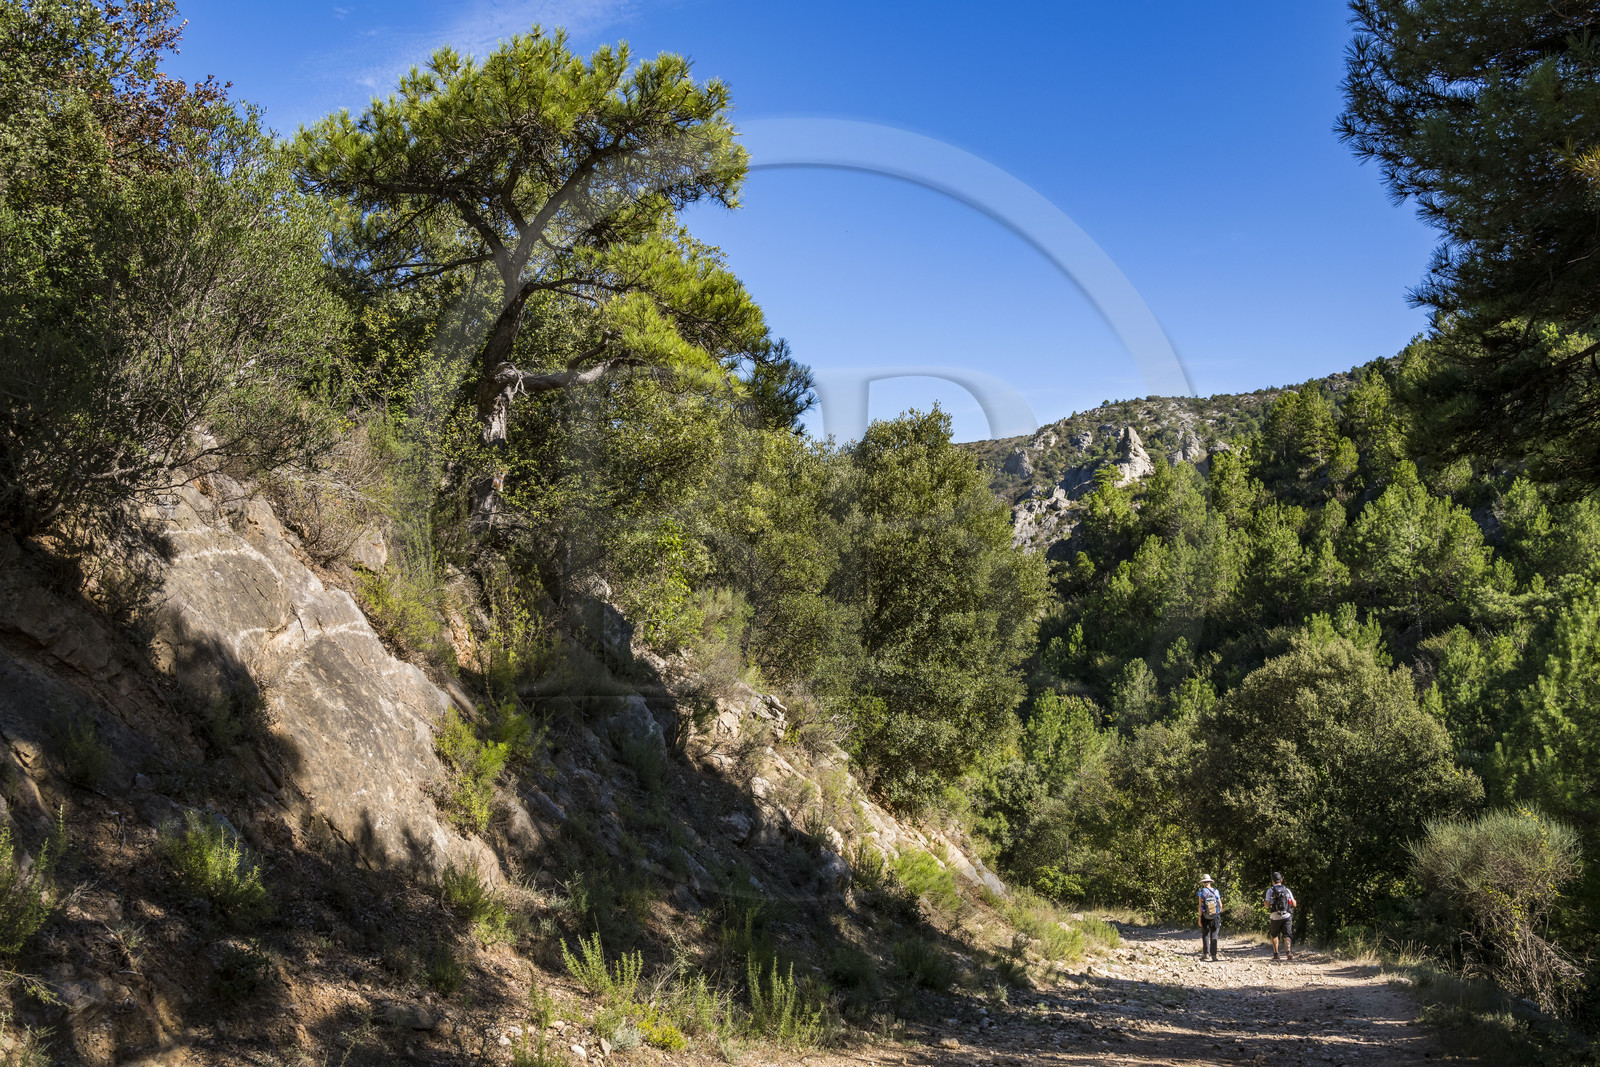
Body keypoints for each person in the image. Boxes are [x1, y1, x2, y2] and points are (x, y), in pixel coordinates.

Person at [1265, 872, 1297, 961]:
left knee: (1274, 935)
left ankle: (1276, 953)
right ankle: (1288, 952)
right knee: (1287, 934)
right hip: (1286, 915)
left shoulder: (1270, 890)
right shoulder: (1287, 890)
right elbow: (1294, 903)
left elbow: (1267, 904)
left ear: (1273, 881)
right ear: (1281, 880)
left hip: (1275, 916)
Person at [1196, 874, 1222, 961]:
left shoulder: (1201, 892)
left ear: (1203, 883)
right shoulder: (1216, 891)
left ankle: (1206, 954)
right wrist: (1217, 913)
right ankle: (1214, 955)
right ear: (1210, 882)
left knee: (1205, 934)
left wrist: (1200, 917)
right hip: (1215, 916)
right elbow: (1220, 905)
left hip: (1205, 916)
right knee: (1214, 935)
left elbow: (1200, 906)